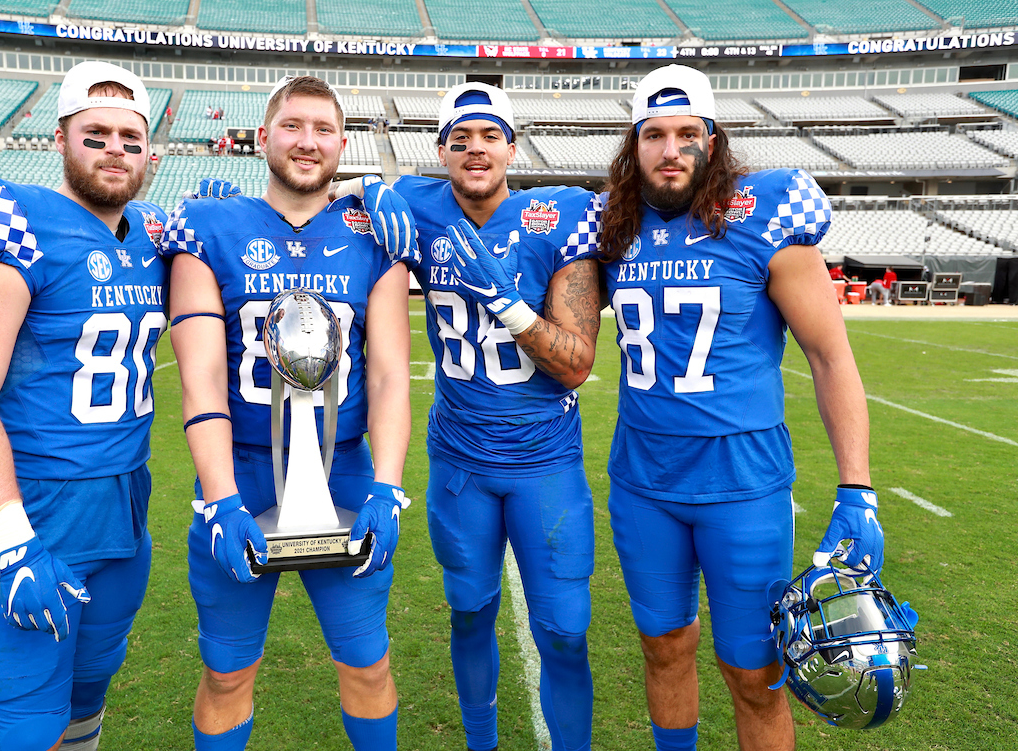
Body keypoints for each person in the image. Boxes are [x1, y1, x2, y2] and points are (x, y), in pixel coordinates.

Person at [597, 64, 881, 751]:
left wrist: (858, 488)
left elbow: (830, 357)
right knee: (663, 647)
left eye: (687, 133)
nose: (671, 150)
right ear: (633, 147)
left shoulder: (767, 216)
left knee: (754, 671)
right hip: (643, 481)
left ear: (713, 140)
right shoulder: (611, 228)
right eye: (655, 134)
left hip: (743, 484)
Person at [338, 82, 602, 751]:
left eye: (489, 136)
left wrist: (508, 302)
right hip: (461, 463)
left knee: (567, 632)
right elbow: (316, 212)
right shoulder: (416, 206)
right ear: (442, 151)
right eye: (460, 138)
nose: (475, 148)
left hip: (545, 460)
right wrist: (366, 187)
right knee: (469, 612)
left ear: (512, 148)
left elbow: (574, 365)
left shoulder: (559, 214)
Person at [160, 75, 413, 751]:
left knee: (368, 663)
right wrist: (218, 498)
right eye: (293, 126)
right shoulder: (209, 225)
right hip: (240, 475)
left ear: (342, 144)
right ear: (263, 136)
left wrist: (388, 486)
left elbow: (389, 372)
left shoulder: (374, 231)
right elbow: (204, 375)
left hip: (348, 470)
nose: (308, 142)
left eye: (323, 129)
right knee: (226, 673)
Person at [0, 60, 169, 751]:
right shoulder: (11, 221)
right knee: (27, 728)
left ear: (150, 151)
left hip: (123, 510)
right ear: (59, 140)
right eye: (95, 134)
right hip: (29, 512)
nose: (114, 149)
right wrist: (12, 541)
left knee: (87, 699)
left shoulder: (153, 235)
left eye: (130, 136)